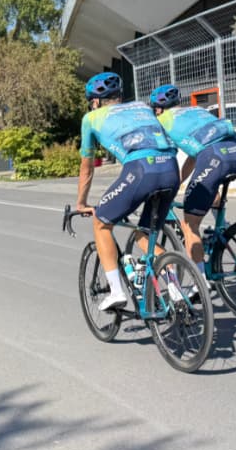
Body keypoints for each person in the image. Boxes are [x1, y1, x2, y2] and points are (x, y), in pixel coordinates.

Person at [76, 72, 180, 311]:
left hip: (141, 170)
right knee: (145, 235)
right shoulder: (142, 107)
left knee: (101, 222)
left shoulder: (91, 118)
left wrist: (81, 203)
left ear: (95, 101)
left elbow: (87, 168)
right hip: (170, 168)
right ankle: (176, 291)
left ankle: (116, 291)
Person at [150, 84, 236, 287]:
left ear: (157, 109)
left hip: (214, 157)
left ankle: (200, 283)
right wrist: (178, 181)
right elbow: (194, 156)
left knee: (189, 225)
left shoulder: (162, 121)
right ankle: (223, 226)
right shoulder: (196, 111)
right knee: (207, 185)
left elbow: (165, 157)